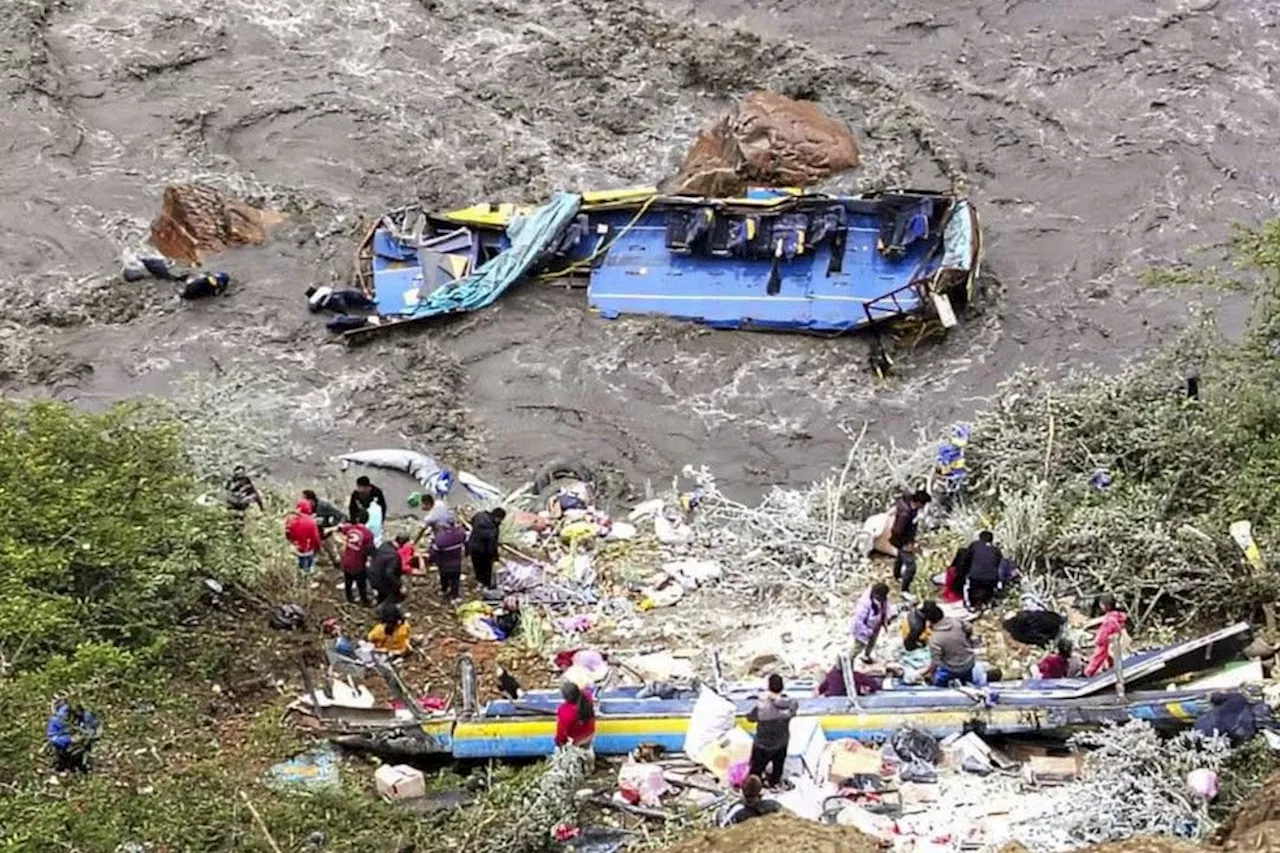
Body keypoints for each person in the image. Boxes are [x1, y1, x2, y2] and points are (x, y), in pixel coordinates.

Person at [746, 674, 798, 788]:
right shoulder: (788, 703)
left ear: (769, 687)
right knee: (777, 768)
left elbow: (750, 718)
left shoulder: (762, 705)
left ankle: (754, 788)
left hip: (762, 744)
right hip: (781, 742)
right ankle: (774, 783)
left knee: (756, 771)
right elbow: (793, 708)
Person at [922, 602, 977, 686]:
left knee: (938, 682)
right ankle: (967, 685)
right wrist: (966, 640)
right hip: (968, 663)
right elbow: (969, 628)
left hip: (950, 669)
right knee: (968, 682)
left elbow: (935, 662)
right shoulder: (957, 621)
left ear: (929, 621)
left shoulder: (935, 639)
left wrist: (926, 673)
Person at [889, 490, 931, 592]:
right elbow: (897, 531)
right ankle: (905, 589)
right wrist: (905, 544)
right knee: (911, 566)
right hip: (901, 541)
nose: (923, 507)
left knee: (900, 557)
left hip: (903, 539)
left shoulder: (909, 505)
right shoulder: (905, 514)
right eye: (923, 504)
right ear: (918, 503)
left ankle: (897, 576)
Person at [46, 703, 101, 773]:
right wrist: (69, 739)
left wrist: (88, 737)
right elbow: (52, 738)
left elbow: (96, 730)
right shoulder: (59, 718)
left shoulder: (88, 715)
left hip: (84, 748)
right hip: (65, 750)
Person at [1085, 594, 1129, 677]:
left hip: (1110, 643)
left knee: (1099, 655)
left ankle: (1089, 672)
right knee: (1109, 656)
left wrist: (1096, 641)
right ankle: (1111, 668)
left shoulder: (1109, 620)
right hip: (1116, 643)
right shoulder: (1117, 616)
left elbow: (1102, 638)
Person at [958, 531, 1003, 610]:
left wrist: (963, 573)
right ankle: (987, 603)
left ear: (980, 538)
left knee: (968, 587)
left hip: (975, 577)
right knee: (988, 589)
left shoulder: (975, 545)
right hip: (991, 579)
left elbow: (966, 560)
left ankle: (970, 605)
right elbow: (998, 564)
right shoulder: (996, 550)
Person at [337, 514, 375, 605]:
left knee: (348, 582)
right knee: (361, 584)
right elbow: (370, 550)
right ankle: (364, 600)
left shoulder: (350, 528)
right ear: (367, 520)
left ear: (357, 519)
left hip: (347, 560)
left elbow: (341, 528)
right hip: (359, 563)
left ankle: (349, 598)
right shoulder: (368, 534)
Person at [303, 489, 346, 567]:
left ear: (311, 500)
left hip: (326, 535)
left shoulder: (323, 506)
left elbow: (339, 515)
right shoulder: (304, 509)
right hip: (313, 537)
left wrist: (332, 525)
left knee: (334, 556)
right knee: (312, 556)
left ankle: (339, 569)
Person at [849, 583, 890, 662]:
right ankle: (849, 660)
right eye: (880, 597)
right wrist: (866, 632)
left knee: (872, 643)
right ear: (875, 594)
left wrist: (886, 618)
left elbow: (886, 606)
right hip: (863, 629)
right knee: (858, 647)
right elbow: (858, 622)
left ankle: (866, 656)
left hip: (875, 625)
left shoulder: (882, 597)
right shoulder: (864, 604)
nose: (882, 599)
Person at [431, 520, 468, 602]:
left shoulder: (440, 538)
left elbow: (434, 551)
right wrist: (466, 553)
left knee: (444, 577)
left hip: (443, 563)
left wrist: (432, 560)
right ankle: (455, 595)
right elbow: (466, 542)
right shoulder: (460, 534)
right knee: (455, 580)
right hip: (456, 562)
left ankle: (444, 590)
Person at [468, 507, 505, 589]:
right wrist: (495, 557)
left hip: (473, 546)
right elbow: (492, 546)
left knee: (477, 567)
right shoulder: (493, 529)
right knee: (486, 569)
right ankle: (486, 585)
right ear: (498, 518)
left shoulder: (480, 515)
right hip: (484, 551)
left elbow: (471, 521)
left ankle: (479, 582)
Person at [284, 499, 322, 575]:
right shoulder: (311, 521)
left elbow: (287, 533)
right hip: (308, 548)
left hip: (296, 548)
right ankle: (309, 575)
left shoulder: (290, 519)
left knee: (300, 566)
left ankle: (302, 576)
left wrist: (291, 542)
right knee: (309, 564)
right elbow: (315, 537)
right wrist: (318, 547)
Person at [554, 681, 596, 748]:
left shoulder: (565, 711)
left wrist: (558, 743)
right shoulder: (587, 697)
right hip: (589, 734)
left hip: (576, 742)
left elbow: (561, 734)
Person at [367, 536, 406, 606]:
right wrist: (399, 585)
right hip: (381, 581)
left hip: (371, 576)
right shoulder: (394, 556)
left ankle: (378, 599)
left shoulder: (383, 545)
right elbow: (389, 573)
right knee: (396, 595)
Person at [306, 285, 378, 314]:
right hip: (336, 298)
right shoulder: (322, 289)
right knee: (352, 296)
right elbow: (332, 290)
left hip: (330, 305)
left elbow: (313, 309)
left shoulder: (311, 301)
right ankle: (368, 303)